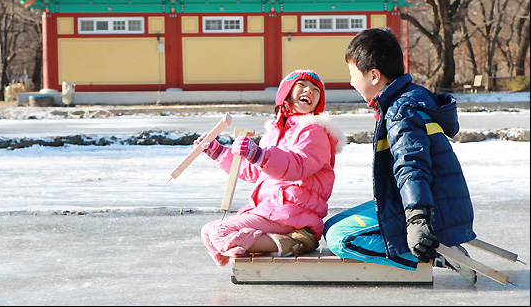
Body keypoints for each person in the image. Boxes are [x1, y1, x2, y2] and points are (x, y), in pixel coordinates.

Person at [324, 27, 478, 285]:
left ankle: (435, 256)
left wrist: (417, 219)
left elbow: (411, 166)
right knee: (332, 224)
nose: (351, 82)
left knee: (341, 237)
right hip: (430, 200)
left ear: (374, 76)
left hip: (430, 209)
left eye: (353, 74)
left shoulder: (401, 111)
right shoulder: (404, 100)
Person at [195, 69, 345, 267]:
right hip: (270, 209)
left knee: (219, 232)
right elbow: (255, 171)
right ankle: (277, 243)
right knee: (208, 232)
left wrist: (260, 155)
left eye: (316, 90)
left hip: (293, 212)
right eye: (302, 85)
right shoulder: (275, 133)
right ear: (286, 93)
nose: (309, 91)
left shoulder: (314, 131)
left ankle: (295, 241)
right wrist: (220, 152)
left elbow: (298, 165)